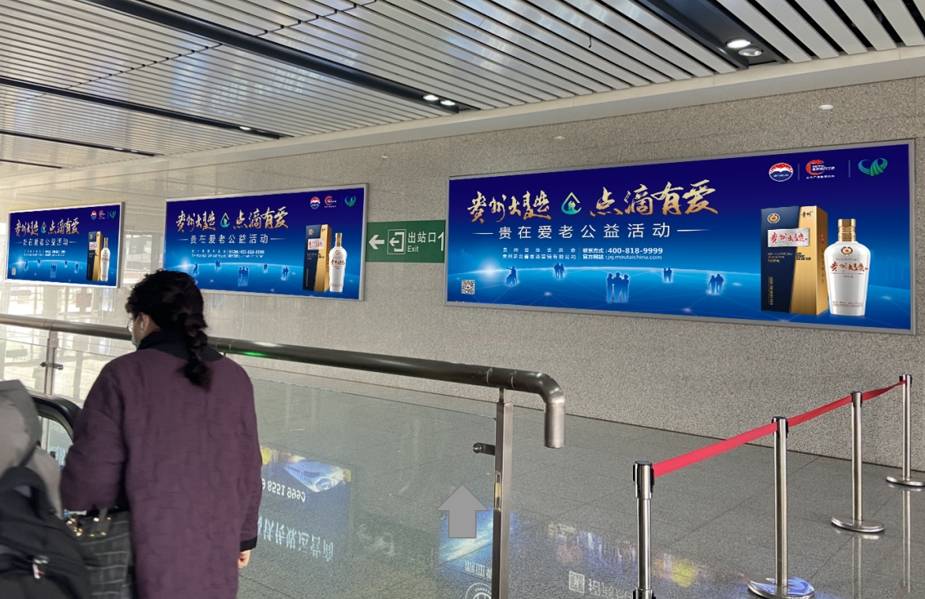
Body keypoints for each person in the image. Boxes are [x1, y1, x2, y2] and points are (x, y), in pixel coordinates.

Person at [61, 270, 262, 599]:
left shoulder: (123, 374)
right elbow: (249, 468)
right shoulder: (235, 377)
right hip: (214, 554)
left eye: (133, 321)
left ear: (143, 320)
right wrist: (243, 537)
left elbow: (89, 482)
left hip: (137, 560)